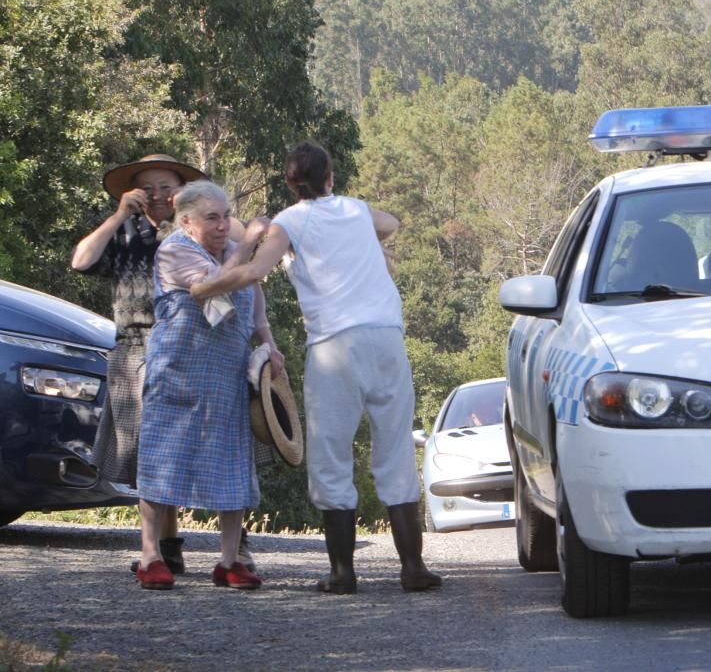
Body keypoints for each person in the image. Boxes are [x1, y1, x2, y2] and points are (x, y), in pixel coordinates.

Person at [196, 141, 442, 594]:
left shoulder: (289, 222)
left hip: (334, 345)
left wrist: (205, 287)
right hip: (386, 338)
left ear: (291, 185)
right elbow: (391, 223)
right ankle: (413, 568)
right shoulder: (355, 210)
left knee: (331, 453)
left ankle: (343, 573)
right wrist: (360, 240)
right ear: (331, 177)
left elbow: (254, 272)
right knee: (395, 445)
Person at [72, 154, 260, 575]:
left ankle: (233, 547)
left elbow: (241, 242)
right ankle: (163, 548)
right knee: (156, 449)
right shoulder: (127, 233)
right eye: (147, 188)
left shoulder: (204, 229)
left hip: (214, 349)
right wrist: (120, 214)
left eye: (166, 187)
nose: (157, 196)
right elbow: (81, 260)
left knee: (227, 446)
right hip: (141, 345)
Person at [133, 180, 283, 590]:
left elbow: (256, 315)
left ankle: (230, 561)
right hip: (178, 370)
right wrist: (249, 241)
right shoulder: (176, 250)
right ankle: (151, 557)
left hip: (226, 377)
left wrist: (271, 349)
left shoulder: (235, 258)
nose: (222, 225)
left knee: (234, 461)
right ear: (186, 221)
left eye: (227, 217)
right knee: (163, 456)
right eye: (212, 218)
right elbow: (217, 282)